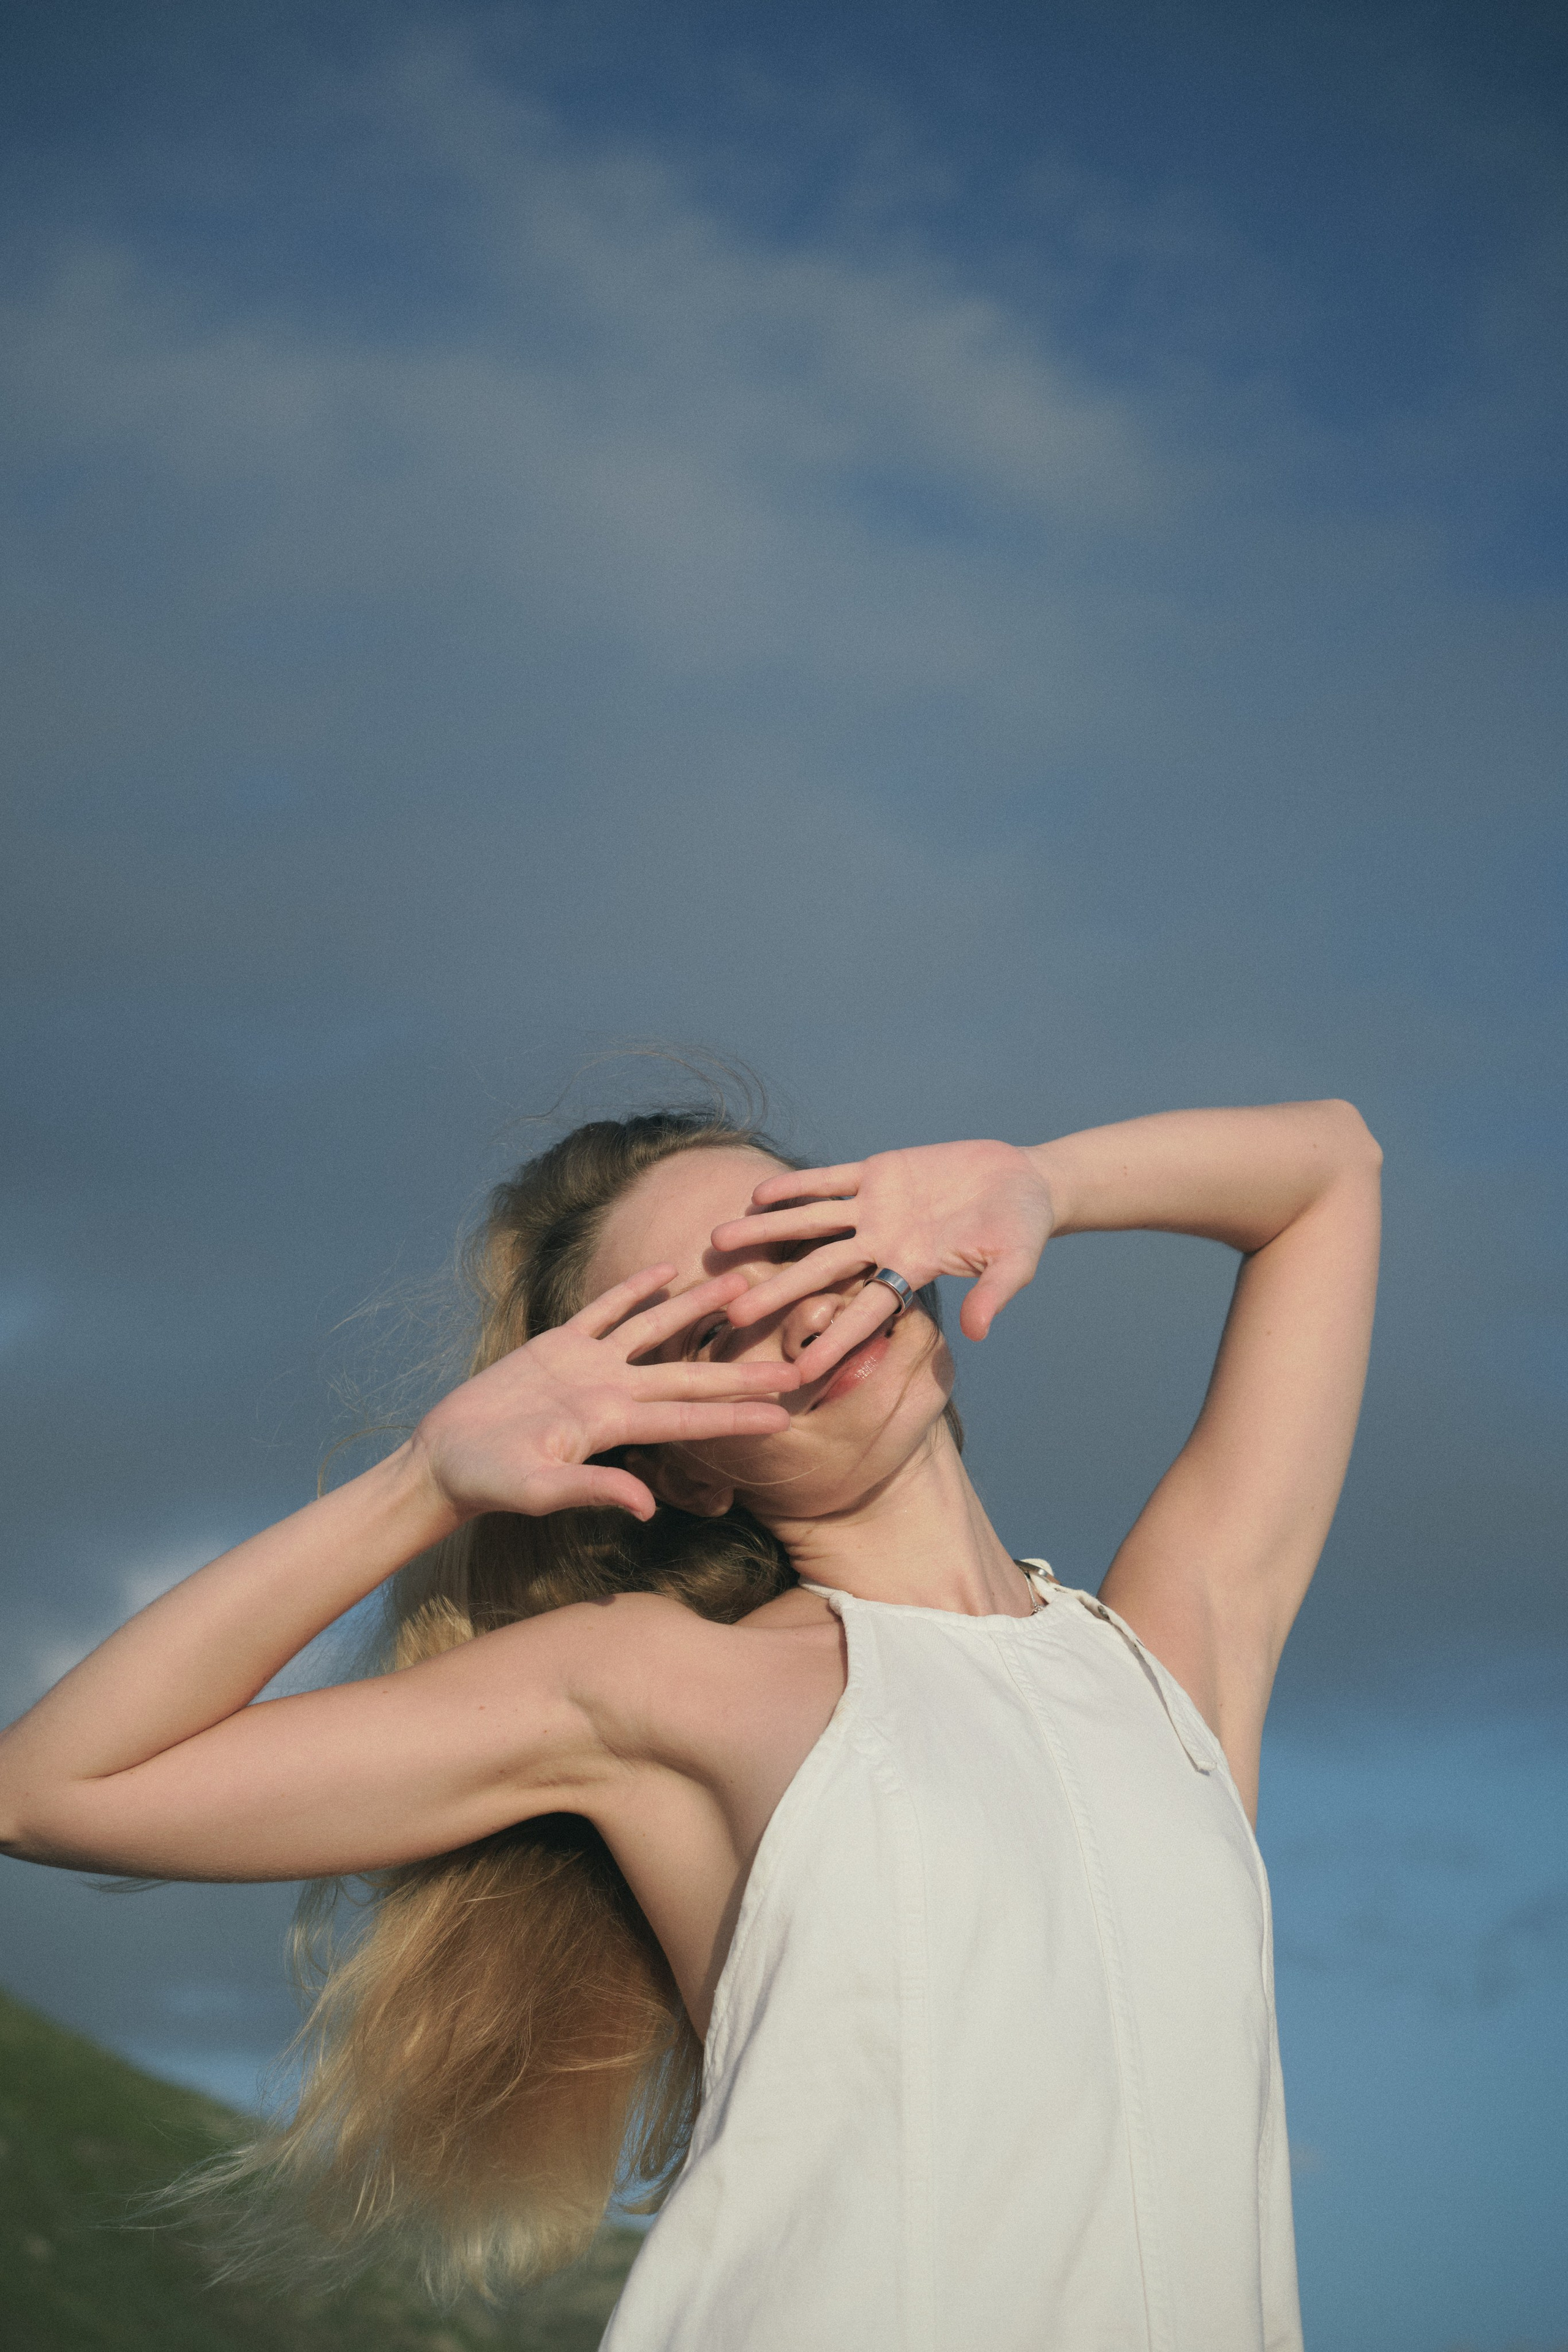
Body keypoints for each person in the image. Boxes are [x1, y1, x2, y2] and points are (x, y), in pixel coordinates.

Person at [0, 1095, 1382, 2351]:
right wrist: (425, 1481)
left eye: (805, 1245)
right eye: (700, 1336)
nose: (791, 1318)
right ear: (685, 1470)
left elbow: (1328, 1169)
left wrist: (1036, 1178)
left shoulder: (1169, 1666)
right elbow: (52, 1790)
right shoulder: (660, 1685)